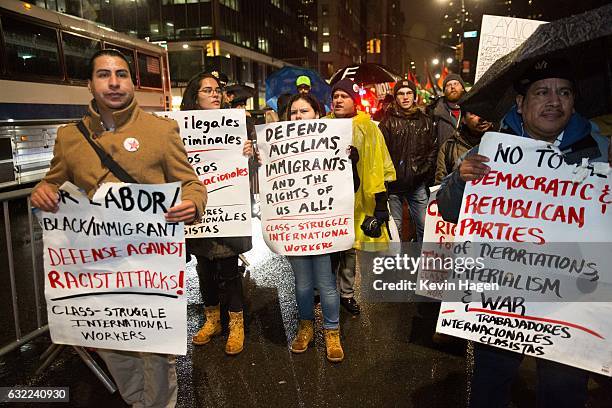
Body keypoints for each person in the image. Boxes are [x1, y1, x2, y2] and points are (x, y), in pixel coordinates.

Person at [30, 49, 206, 408]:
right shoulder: (69, 138)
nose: (114, 82)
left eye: (122, 75)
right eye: (104, 75)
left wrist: (194, 203)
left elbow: (192, 184)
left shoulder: (161, 130)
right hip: (97, 267)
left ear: (133, 83)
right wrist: (43, 190)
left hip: (149, 264)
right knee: (112, 340)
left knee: (155, 348)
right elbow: (52, 181)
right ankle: (137, 400)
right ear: (90, 85)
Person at [437, 58, 608, 408]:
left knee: (563, 391)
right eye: (542, 92)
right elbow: (449, 210)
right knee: (490, 383)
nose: (554, 101)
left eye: (564, 92)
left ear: (574, 101)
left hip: (569, 297)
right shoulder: (490, 150)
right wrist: (459, 181)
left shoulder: (599, 149)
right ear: (520, 103)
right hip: (503, 294)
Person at [180, 72, 255, 356]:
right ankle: (213, 320)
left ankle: (236, 324)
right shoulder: (179, 129)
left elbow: (253, 168)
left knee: (228, 269)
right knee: (204, 270)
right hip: (197, 214)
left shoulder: (236, 124)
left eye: (217, 90)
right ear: (194, 96)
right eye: (207, 90)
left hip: (227, 210)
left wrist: (249, 152)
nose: (214, 94)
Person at [325, 78, 396, 315]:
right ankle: (325, 293)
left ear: (354, 101)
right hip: (328, 201)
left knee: (347, 250)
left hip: (356, 201)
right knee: (328, 248)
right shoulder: (322, 125)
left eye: (343, 96)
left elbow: (381, 165)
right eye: (335, 96)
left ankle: (346, 294)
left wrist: (381, 203)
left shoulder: (369, 128)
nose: (338, 100)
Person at [284, 93, 344, 362]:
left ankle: (332, 332)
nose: (298, 116)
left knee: (326, 282)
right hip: (294, 227)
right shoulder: (279, 146)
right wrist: (256, 158)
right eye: (294, 112)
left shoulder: (333, 144)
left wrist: (347, 158)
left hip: (321, 226)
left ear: (317, 115)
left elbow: (347, 185)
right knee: (303, 284)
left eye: (304, 111)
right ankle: (305, 326)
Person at [378, 79, 436, 242]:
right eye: (401, 93)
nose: (405, 97)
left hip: (417, 185)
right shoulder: (387, 123)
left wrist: (423, 172)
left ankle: (421, 264)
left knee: (425, 228)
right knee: (394, 231)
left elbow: (433, 149)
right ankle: (396, 266)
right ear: (395, 97)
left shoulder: (425, 121)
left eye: (409, 93)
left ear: (414, 96)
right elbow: (380, 154)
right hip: (393, 187)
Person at [434, 108, 493, 184]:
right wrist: (458, 176)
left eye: (487, 112)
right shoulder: (449, 147)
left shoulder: (505, 143)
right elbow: (440, 186)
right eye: (474, 114)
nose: (482, 118)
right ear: (463, 119)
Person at [430, 73, 466, 147]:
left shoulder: (473, 110)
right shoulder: (434, 112)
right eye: (448, 85)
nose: (452, 87)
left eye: (456, 84)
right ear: (444, 91)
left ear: (462, 88)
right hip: (443, 157)